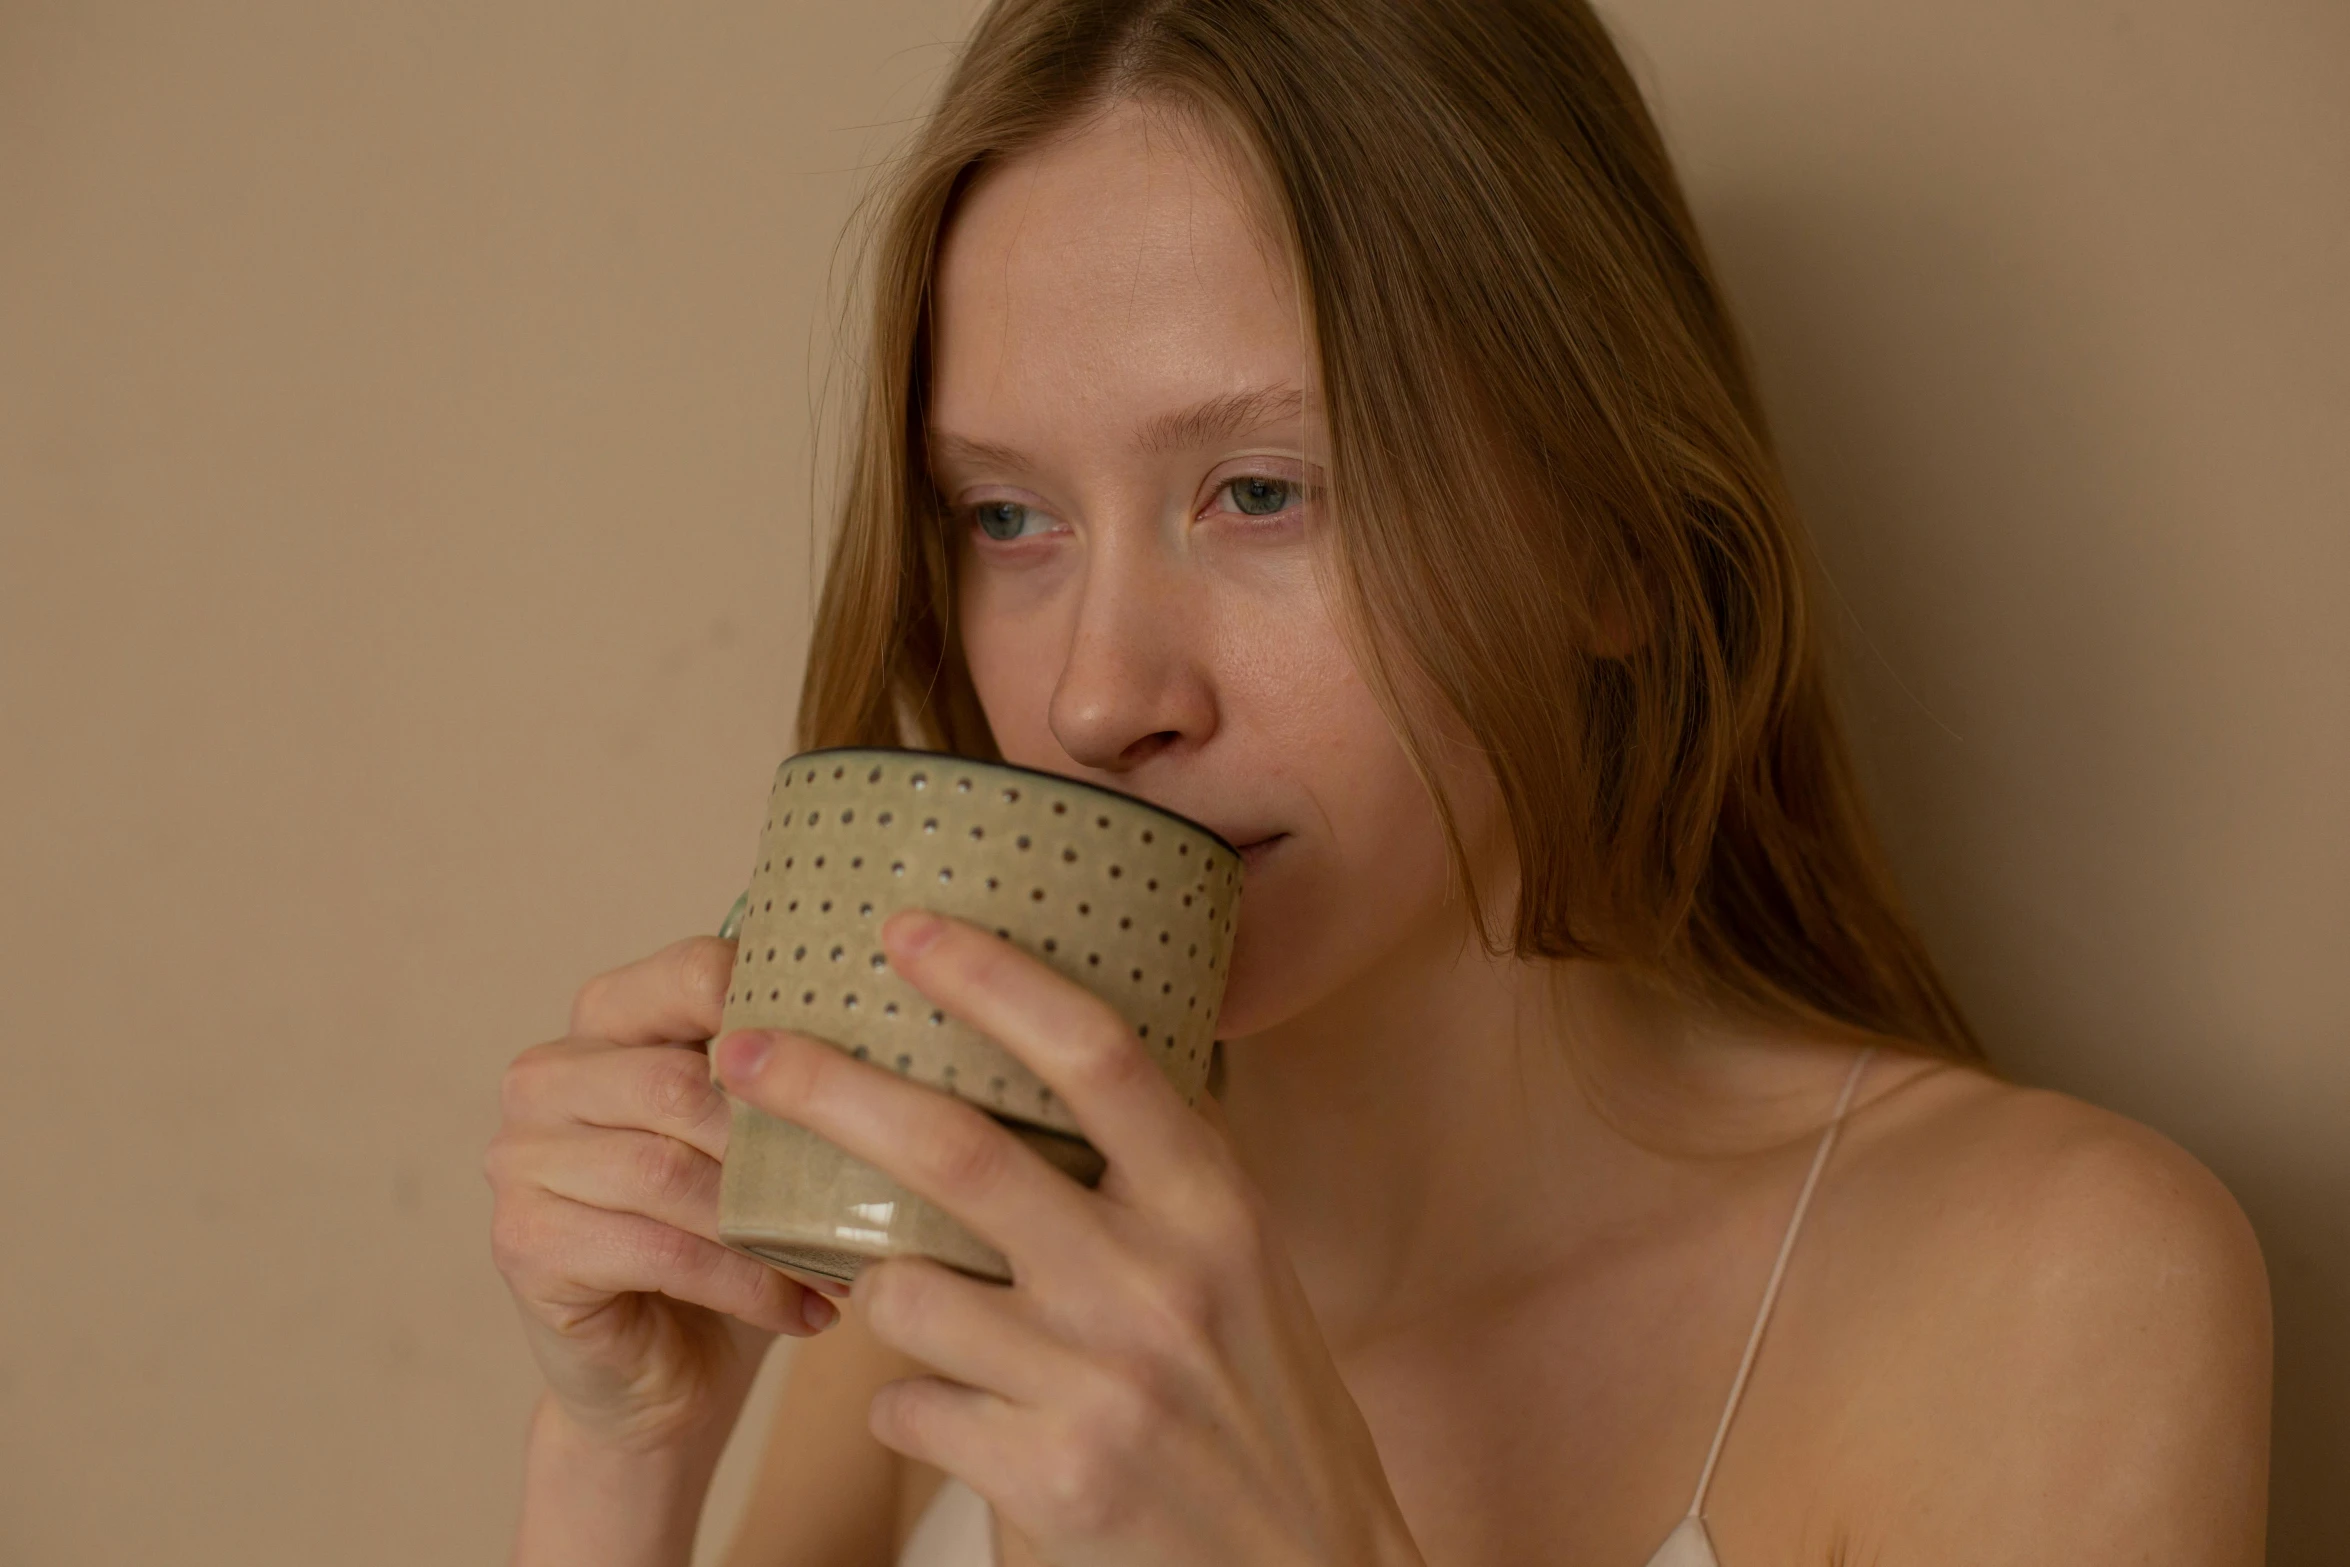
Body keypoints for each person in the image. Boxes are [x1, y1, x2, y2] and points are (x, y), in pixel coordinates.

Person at [482, 2, 2274, 1563]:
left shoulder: (2052, 1282)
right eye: (1008, 518)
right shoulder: (969, 1241)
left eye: (1258, 490)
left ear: (1612, 544)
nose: (1101, 695)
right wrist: (618, 1462)